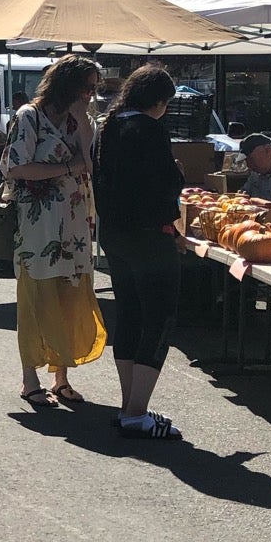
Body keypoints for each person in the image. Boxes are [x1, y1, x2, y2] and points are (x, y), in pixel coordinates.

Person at [1, 56, 106, 407]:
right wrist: (66, 167)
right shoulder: (28, 117)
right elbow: (16, 167)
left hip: (76, 224)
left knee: (69, 298)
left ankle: (61, 378)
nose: (91, 95)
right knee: (36, 299)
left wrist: (84, 128)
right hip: (39, 226)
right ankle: (30, 379)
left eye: (94, 88)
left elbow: (91, 167)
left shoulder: (83, 122)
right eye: (86, 87)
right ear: (66, 85)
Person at [94, 63, 187, 440]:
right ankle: (138, 412)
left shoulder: (108, 125)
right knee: (160, 318)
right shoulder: (148, 129)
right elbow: (163, 185)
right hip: (149, 235)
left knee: (129, 314)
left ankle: (129, 404)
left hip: (114, 234)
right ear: (159, 101)